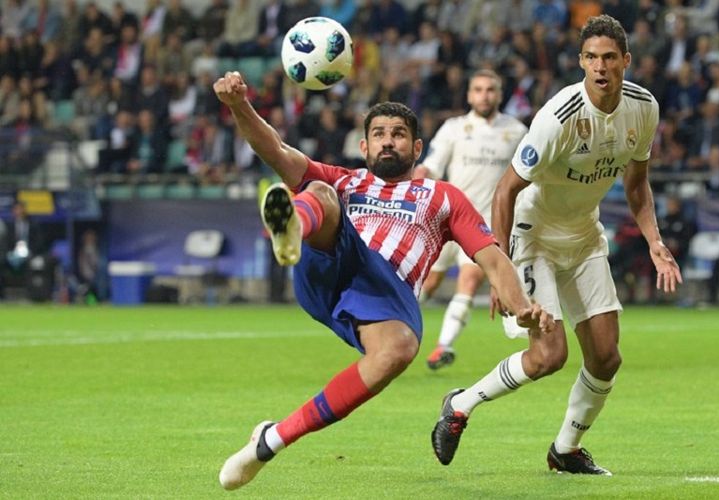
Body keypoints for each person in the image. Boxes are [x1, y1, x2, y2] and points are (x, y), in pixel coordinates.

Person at [212, 71, 554, 490]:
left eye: (397, 134)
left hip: (385, 289)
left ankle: (270, 440)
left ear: (416, 147)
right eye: (378, 134)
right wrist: (238, 105)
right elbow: (275, 149)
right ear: (364, 146)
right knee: (319, 190)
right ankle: (293, 227)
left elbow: (492, 258)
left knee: (398, 350)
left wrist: (523, 310)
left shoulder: (444, 197)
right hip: (332, 263)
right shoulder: (348, 180)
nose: (387, 141)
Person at [430, 15, 683, 476]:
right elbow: (506, 190)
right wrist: (499, 270)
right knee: (549, 355)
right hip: (534, 236)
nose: (600, 67)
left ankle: (564, 450)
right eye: (591, 58)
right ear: (581, 62)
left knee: (606, 357)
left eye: (609, 57)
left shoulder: (643, 108)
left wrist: (655, 241)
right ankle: (460, 405)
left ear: (626, 60)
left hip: (584, 235)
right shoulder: (558, 116)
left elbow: (637, 183)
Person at [414, 69, 528, 370]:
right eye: (478, 89)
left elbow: (529, 178)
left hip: (482, 224)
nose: (484, 95)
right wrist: (417, 178)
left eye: (490, 89)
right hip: (444, 217)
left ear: (500, 94)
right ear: (469, 95)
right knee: (430, 282)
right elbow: (432, 166)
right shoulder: (453, 128)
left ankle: (443, 346)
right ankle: (394, 329)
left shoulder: (516, 131)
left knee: (468, 279)